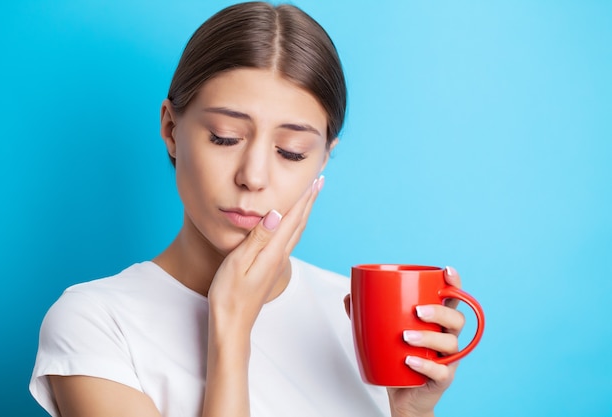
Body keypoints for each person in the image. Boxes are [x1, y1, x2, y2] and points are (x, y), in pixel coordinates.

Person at [30, 2, 466, 416]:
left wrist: (410, 412)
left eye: (291, 152)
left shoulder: (353, 314)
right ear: (171, 129)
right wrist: (231, 331)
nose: (253, 176)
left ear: (323, 158)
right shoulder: (95, 324)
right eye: (225, 137)